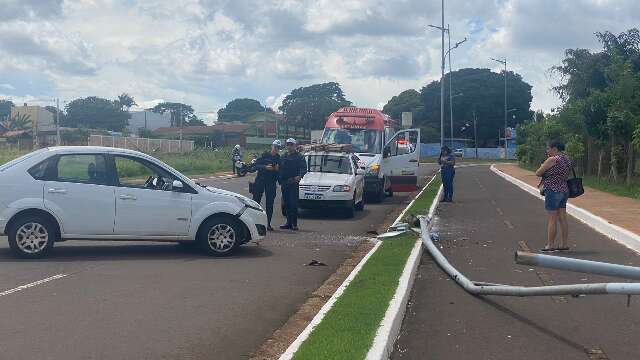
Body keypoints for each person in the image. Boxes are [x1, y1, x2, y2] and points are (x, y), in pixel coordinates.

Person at [536, 140, 572, 252]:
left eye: (548, 148)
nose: (547, 151)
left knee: (552, 219)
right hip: (564, 189)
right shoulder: (567, 159)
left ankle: (550, 245)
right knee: (562, 218)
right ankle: (564, 244)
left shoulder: (552, 160)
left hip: (552, 190)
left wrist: (543, 164)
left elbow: (538, 173)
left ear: (555, 149)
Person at [252, 140, 282, 231]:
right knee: (256, 202)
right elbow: (255, 166)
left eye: (278, 147)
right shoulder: (264, 155)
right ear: (271, 146)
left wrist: (277, 169)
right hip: (260, 180)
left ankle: (268, 223)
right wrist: (265, 167)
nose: (276, 149)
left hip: (271, 182)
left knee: (270, 203)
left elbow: (280, 171)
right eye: (275, 146)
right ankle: (253, 222)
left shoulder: (278, 158)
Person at [279, 138, 307, 231]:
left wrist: (299, 176)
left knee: (293, 204)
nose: (289, 146)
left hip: (294, 183)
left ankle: (294, 224)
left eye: (291, 144)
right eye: (288, 144)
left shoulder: (299, 156)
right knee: (286, 204)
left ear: (295, 146)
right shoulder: (283, 156)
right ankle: (288, 223)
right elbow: (279, 168)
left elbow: (303, 168)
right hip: (285, 183)